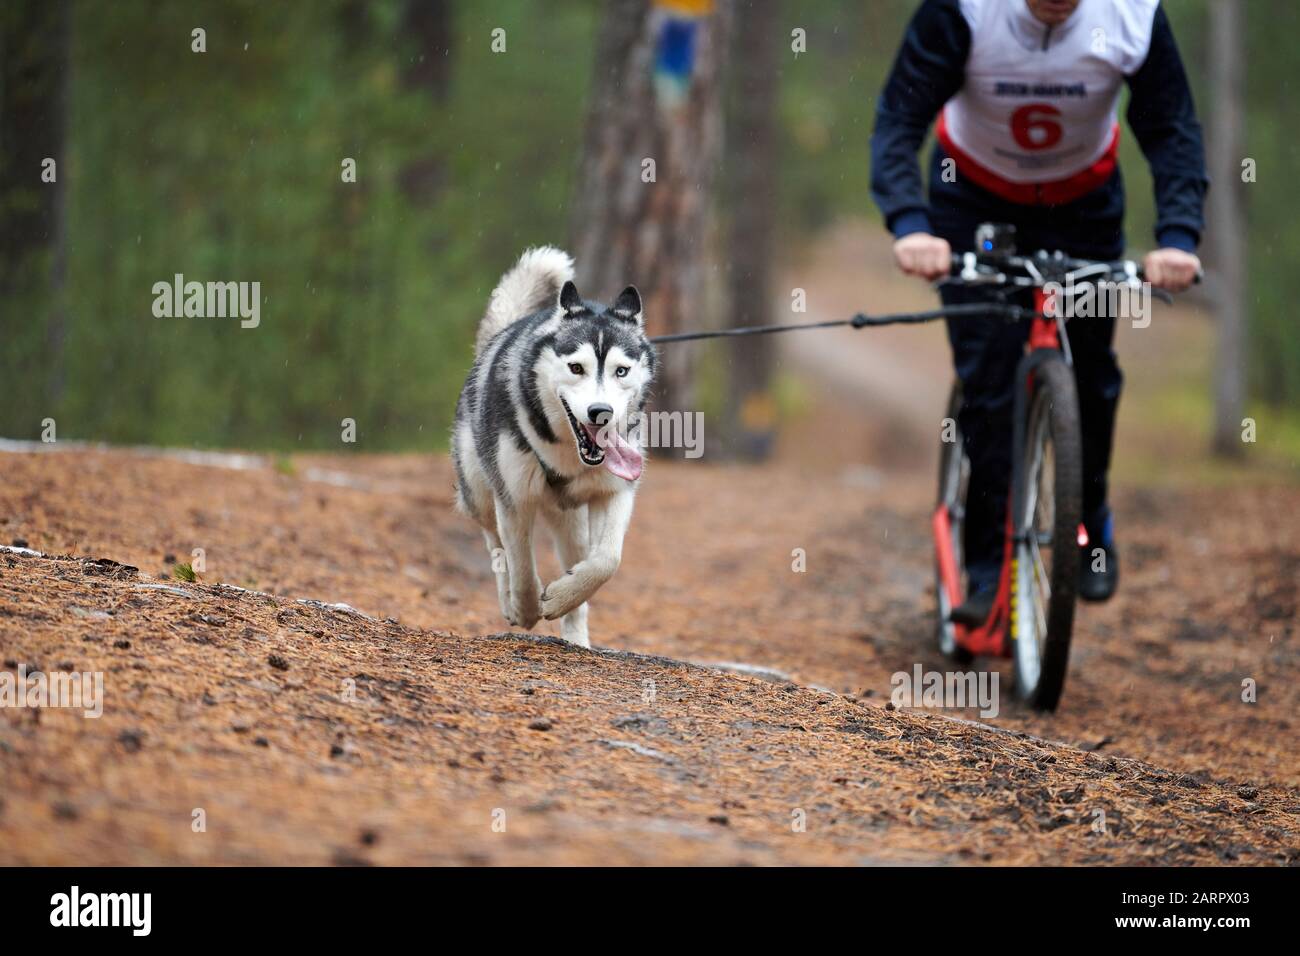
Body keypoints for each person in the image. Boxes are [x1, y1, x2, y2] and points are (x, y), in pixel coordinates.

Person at [870, 0, 1207, 622]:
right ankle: (986, 569)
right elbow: (900, 118)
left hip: (1083, 208)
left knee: (1093, 377)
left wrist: (1179, 236)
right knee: (990, 383)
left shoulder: (1133, 15)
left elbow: (1171, 130)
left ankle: (1090, 515)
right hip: (973, 205)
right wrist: (910, 225)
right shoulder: (965, 11)